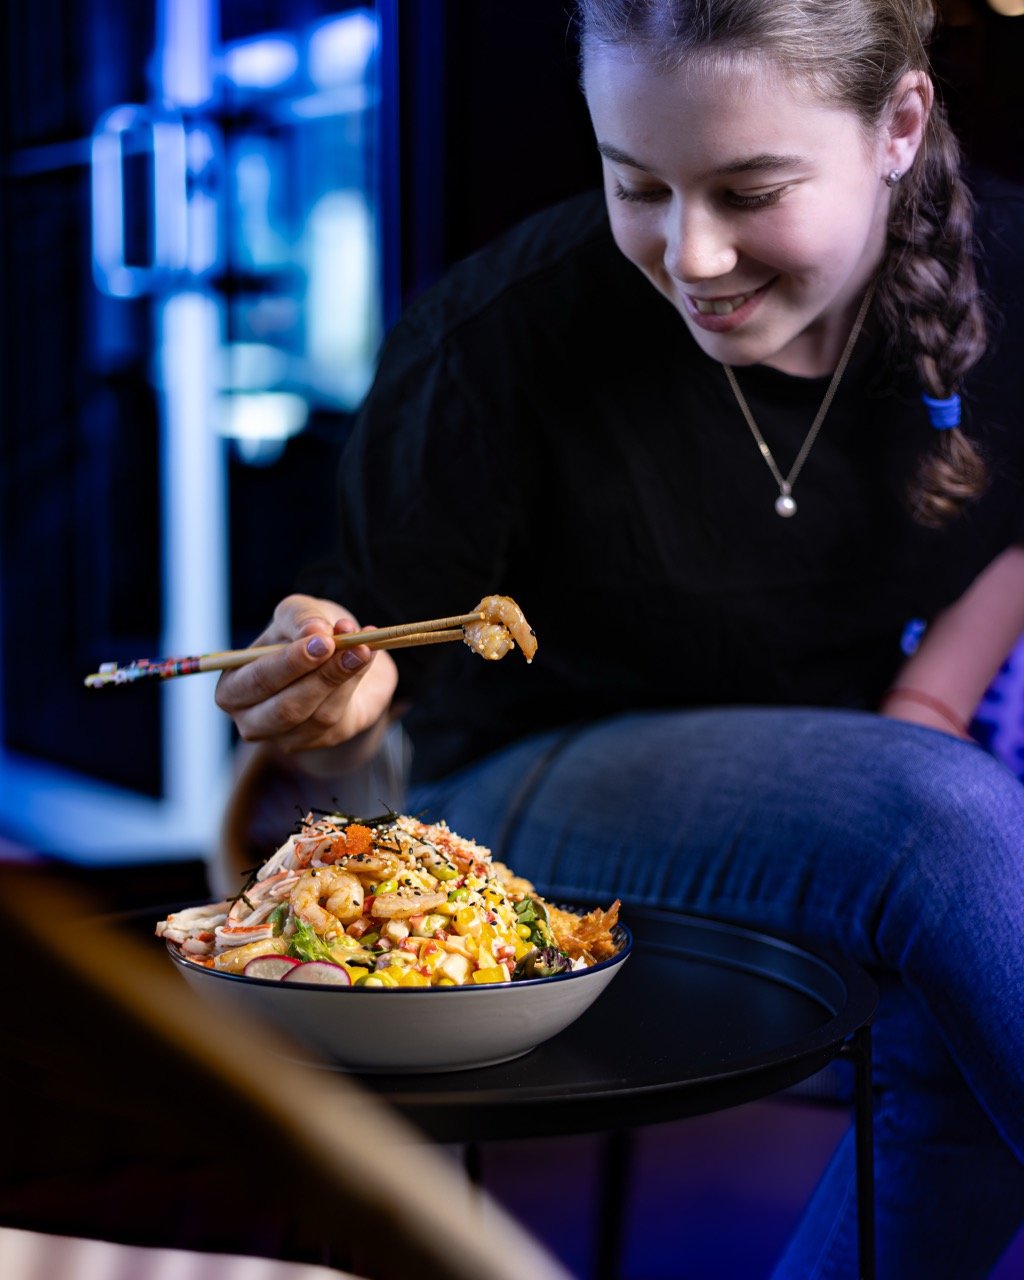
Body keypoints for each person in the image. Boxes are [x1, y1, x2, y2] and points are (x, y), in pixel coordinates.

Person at [215, 1, 1024, 1274]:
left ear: (900, 127)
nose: (691, 256)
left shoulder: (1008, 270)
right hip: (522, 783)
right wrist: (333, 683)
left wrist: (931, 690)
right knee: (947, 818)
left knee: (946, 1008)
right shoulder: (500, 333)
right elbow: (364, 636)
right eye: (635, 185)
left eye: (749, 190)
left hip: (836, 784)